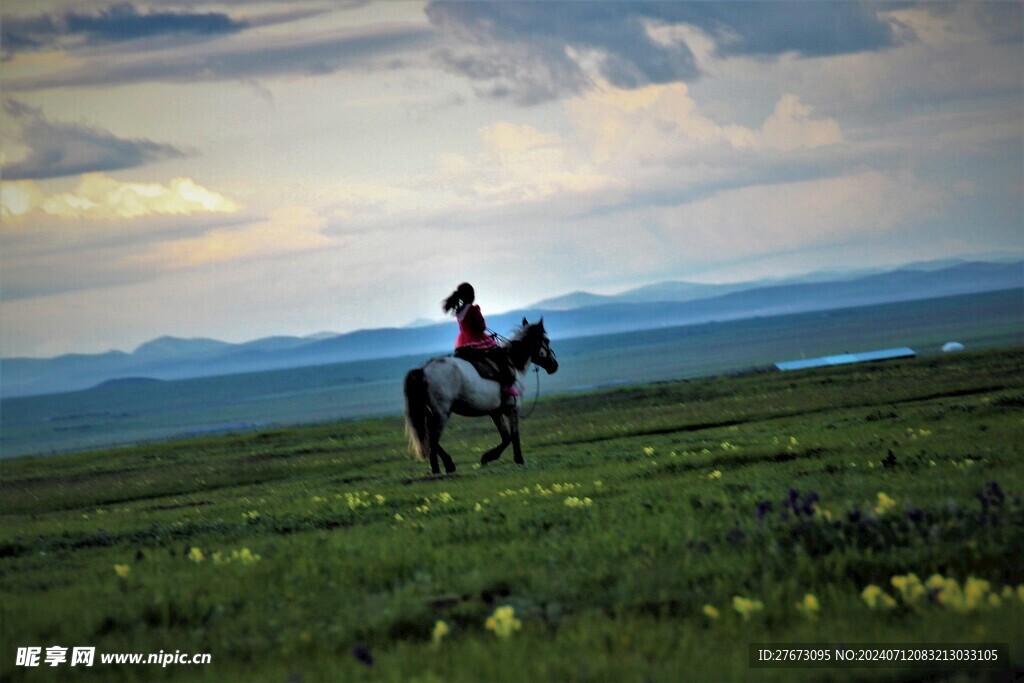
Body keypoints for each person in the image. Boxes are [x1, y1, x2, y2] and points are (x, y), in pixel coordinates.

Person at [443, 283, 519, 397]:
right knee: (500, 355)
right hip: (476, 340)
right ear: (471, 295)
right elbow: (482, 327)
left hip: (462, 342)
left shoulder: (458, 312)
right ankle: (506, 386)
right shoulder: (473, 309)